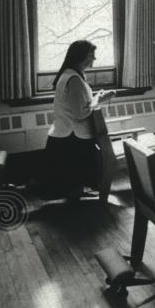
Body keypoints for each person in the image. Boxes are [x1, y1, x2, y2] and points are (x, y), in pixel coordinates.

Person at [41, 40, 115, 198]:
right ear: (80, 56)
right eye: (91, 55)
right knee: (72, 178)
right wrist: (100, 99)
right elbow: (80, 113)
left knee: (73, 180)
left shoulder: (71, 74)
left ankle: (76, 194)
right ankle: (75, 198)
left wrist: (96, 98)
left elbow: (82, 105)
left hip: (67, 133)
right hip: (72, 137)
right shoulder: (73, 79)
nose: (94, 59)